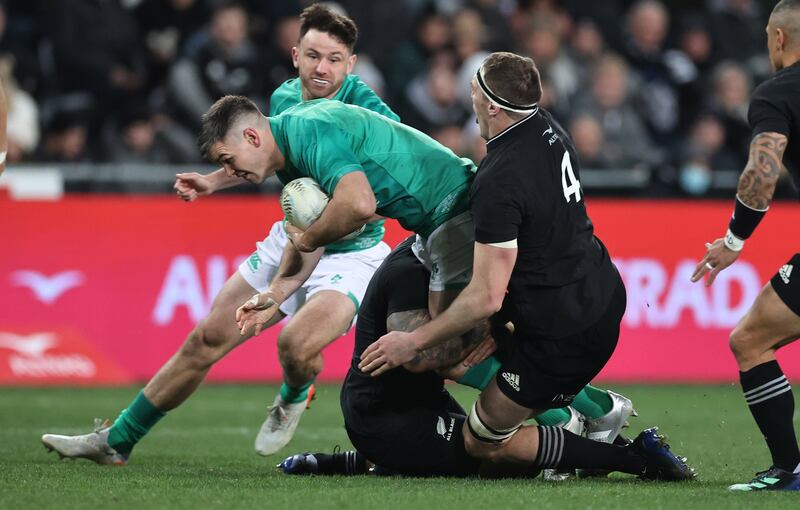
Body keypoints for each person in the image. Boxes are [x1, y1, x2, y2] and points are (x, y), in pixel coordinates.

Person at [40, 4, 397, 464]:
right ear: (295, 55)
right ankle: (116, 441)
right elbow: (267, 154)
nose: (321, 68)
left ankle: (296, 389)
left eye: (333, 59)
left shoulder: (372, 113)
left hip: (352, 255)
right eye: (312, 55)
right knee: (206, 339)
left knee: (297, 345)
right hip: (292, 241)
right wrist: (215, 179)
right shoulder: (287, 98)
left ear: (351, 63)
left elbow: (394, 184)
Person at [359, 52, 695, 481]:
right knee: (470, 352)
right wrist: (502, 323)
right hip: (599, 292)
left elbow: (485, 295)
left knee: (482, 439)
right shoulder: (547, 125)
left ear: (493, 106)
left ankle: (627, 454)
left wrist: (414, 341)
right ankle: (601, 412)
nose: (471, 99)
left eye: (474, 91)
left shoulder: (498, 179)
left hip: (563, 332)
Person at [280, 237, 633, 479]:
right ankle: (634, 459)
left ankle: (584, 415)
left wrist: (496, 327)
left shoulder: (440, 263)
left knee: (486, 433)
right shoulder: (409, 275)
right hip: (382, 416)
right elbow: (429, 358)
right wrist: (492, 328)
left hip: (424, 402)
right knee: (497, 454)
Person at [690, 0, 800, 492]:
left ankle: (790, 470)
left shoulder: (777, 92)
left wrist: (734, 239)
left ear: (777, 39)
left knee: (750, 341)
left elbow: (762, 171)